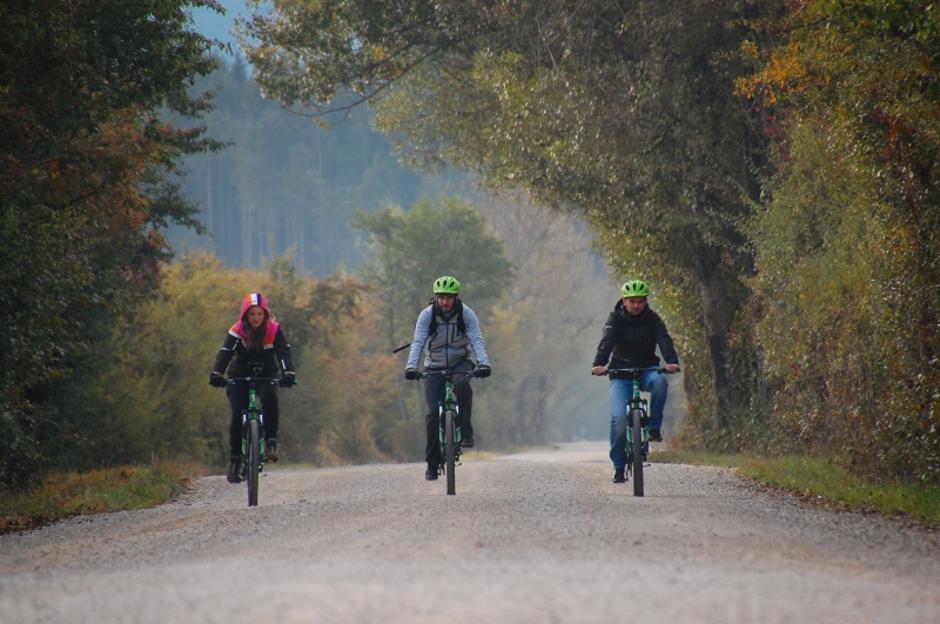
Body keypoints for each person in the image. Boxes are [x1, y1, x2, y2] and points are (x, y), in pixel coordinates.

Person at [404, 275, 492, 481]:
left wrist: (484, 364)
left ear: (456, 297)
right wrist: (411, 367)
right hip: (433, 365)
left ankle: (466, 431)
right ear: (436, 297)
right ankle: (432, 464)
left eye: (449, 297)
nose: (445, 302)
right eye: (442, 297)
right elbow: (418, 342)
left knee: (462, 385)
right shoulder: (427, 316)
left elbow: (476, 339)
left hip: (460, 362)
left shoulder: (466, 314)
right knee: (433, 413)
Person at [591, 279, 679, 483]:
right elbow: (607, 341)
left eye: (640, 301)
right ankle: (619, 466)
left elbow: (664, 339)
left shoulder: (653, 319)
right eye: (632, 301)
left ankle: (653, 428)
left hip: (648, 368)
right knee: (619, 418)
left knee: (660, 382)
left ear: (646, 301)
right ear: (624, 301)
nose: (636, 305)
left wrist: (671, 361)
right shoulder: (615, 319)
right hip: (620, 372)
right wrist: (599, 363)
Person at [210, 292, 296, 483]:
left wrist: (288, 373)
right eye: (252, 314)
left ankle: (271, 442)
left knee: (270, 400)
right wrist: (217, 374)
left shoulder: (274, 329)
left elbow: (283, 353)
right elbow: (225, 353)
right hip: (239, 375)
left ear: (265, 314)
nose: (256, 318)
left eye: (259, 314)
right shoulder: (237, 331)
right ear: (245, 316)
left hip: (267, 374)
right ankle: (235, 461)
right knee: (237, 415)